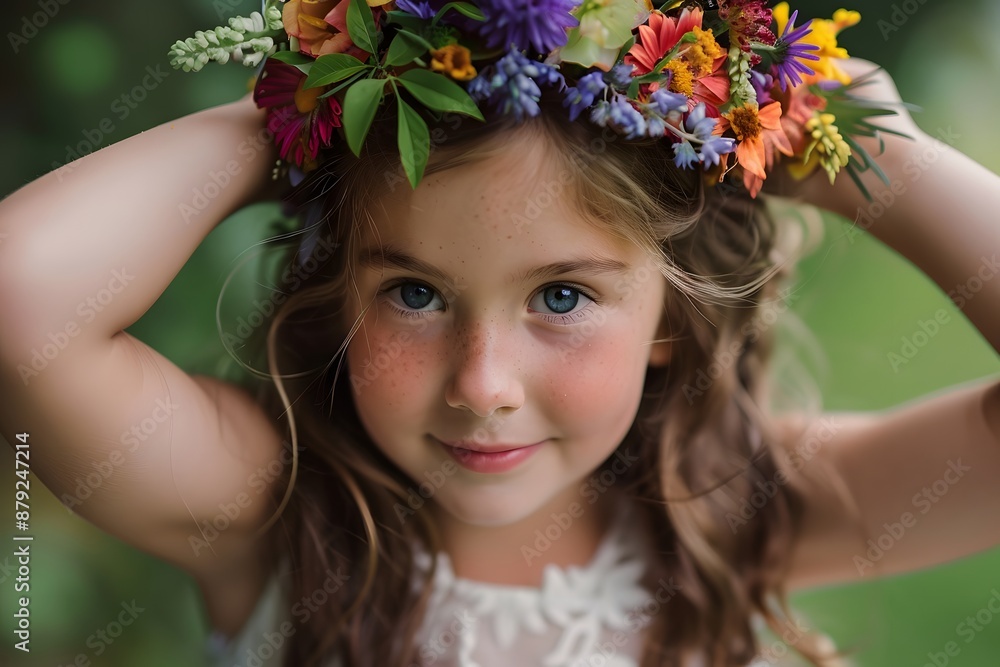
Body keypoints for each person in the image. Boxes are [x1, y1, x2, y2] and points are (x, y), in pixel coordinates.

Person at [1, 1, 999, 665]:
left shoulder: (736, 513)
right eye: (416, 294)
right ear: (340, 287)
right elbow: (23, 303)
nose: (483, 385)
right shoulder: (272, 511)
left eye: (561, 297)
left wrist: (886, 161)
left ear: (670, 315)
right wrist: (306, 114)